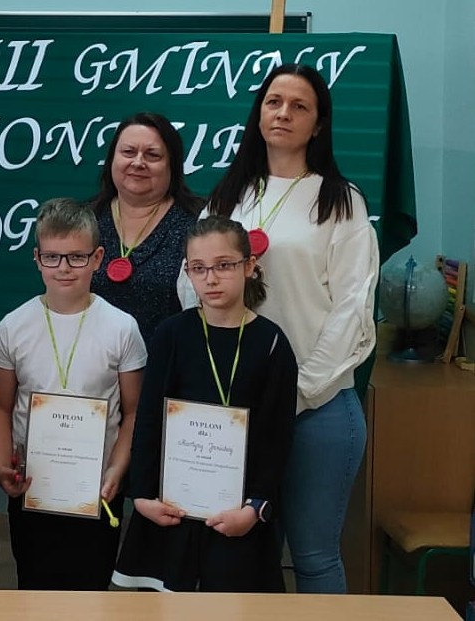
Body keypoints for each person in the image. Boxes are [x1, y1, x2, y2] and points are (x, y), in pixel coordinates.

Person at [190, 63, 379, 594]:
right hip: (238, 404)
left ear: (318, 125)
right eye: (274, 102)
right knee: (248, 556)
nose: (284, 114)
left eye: (300, 106)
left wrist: (297, 391)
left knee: (315, 557)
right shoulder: (229, 195)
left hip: (316, 409)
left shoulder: (340, 200)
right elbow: (194, 283)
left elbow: (352, 307)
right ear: (259, 113)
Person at [114, 216, 297, 592]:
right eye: (198, 268)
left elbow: (276, 437)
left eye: (223, 265)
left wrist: (255, 507)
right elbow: (148, 420)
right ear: (188, 273)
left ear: (249, 266)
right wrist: (143, 496)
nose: (211, 279)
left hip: (238, 514)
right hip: (170, 509)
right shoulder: (172, 334)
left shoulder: (272, 343)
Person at [0, 198, 145, 590]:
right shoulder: (13, 326)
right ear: (37, 259)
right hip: (32, 487)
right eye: (52, 257)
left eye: (76, 257)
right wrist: (2, 465)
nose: (64, 268)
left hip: (96, 489)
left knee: (91, 593)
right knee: (33, 587)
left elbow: (133, 412)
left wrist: (117, 470)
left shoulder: (122, 328)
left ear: (97, 258)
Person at [88, 112, 202, 342]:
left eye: (152, 155)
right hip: (91, 358)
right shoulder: (85, 220)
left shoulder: (200, 223)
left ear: (172, 165)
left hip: (171, 360)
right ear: (111, 160)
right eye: (128, 152)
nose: (138, 162)